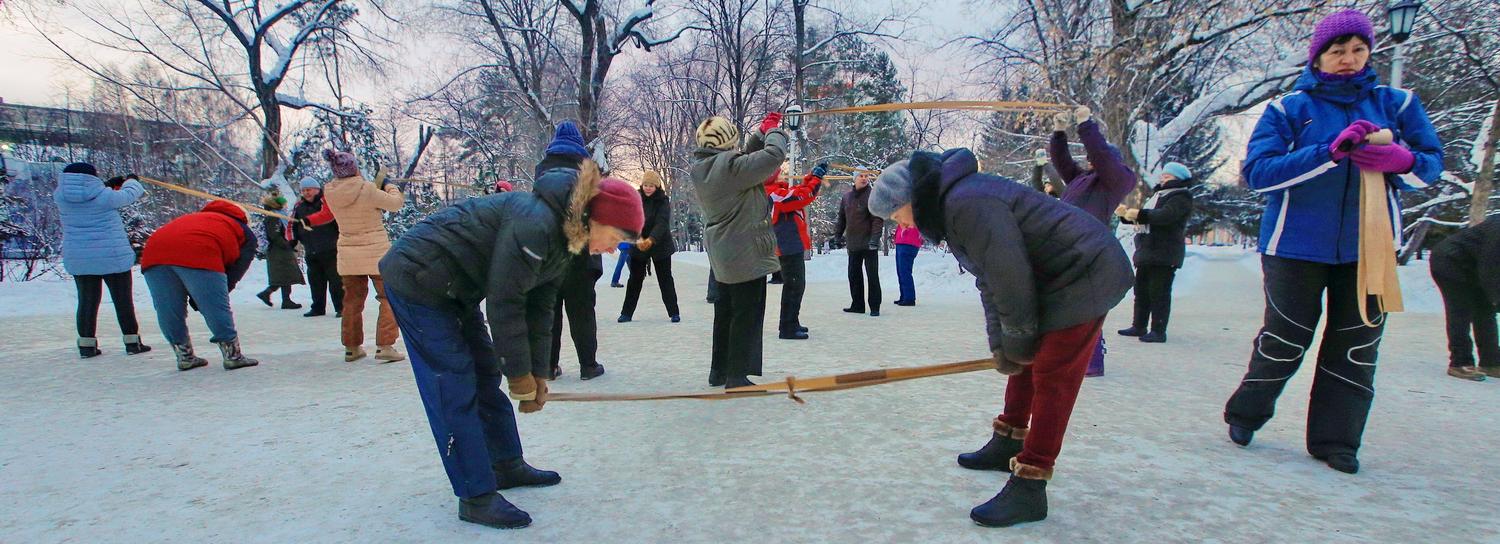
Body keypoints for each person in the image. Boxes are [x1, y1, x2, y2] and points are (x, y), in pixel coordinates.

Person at [1223, 9, 1443, 475]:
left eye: (1358, 49)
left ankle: (1337, 440)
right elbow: (1259, 175)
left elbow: (1430, 168)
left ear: (1369, 53)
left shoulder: (1398, 105)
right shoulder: (1289, 109)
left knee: (1357, 345)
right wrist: (1328, 153)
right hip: (1294, 247)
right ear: (1318, 57)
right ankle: (1247, 412)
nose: (1348, 59)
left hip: (1371, 248)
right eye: (1337, 51)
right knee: (1286, 336)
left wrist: (1402, 161)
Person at [868, 148, 1132, 528]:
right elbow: (989, 279)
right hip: (1054, 274)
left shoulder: (967, 203)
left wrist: (1018, 338)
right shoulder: (953, 204)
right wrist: (1004, 342)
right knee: (1023, 357)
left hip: (1086, 272)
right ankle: (1009, 439)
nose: (899, 224)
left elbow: (1010, 279)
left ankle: (1030, 482)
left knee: (1052, 374)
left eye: (895, 215)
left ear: (909, 200)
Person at [379, 158, 641, 530]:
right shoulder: (535, 224)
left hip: (457, 287)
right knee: (453, 384)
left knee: (485, 373)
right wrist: (519, 375)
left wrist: (536, 372)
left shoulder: (568, 238)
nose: (614, 249)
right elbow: (505, 303)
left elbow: (540, 306)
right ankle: (475, 496)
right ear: (597, 219)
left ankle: (505, 464)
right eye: (616, 238)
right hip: (418, 280)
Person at [689, 113, 787, 388]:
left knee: (726, 311)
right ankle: (737, 375)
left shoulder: (705, 167)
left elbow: (744, 161)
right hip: (744, 249)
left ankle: (719, 370)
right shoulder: (730, 169)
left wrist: (758, 134)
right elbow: (773, 156)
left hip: (723, 250)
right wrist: (774, 131)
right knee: (747, 311)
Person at [1048, 106, 1138, 377]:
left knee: (1085, 306)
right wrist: (1059, 132)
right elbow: (1062, 161)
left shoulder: (1118, 179)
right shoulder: (1082, 178)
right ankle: (1068, 354)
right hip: (1065, 244)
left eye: (1094, 157)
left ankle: (1092, 359)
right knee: (1065, 302)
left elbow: (1101, 155)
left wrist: (1086, 125)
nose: (1089, 159)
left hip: (1088, 249)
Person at [139, 201, 261, 371]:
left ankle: (184, 356)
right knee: (215, 307)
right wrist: (218, 291)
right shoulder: (242, 228)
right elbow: (236, 269)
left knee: (168, 308)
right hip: (199, 250)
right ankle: (232, 355)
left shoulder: (195, 217)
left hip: (154, 252)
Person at [54, 163, 150, 358]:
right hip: (112, 257)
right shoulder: (106, 197)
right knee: (123, 300)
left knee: (87, 302)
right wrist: (131, 181)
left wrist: (108, 185)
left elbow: (87, 196)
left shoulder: (61, 197)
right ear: (91, 178)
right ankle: (132, 342)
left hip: (80, 258)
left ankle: (87, 346)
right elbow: (129, 195)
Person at [536, 122, 606, 381]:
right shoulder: (588, 172)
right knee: (582, 311)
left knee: (550, 311)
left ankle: (548, 366)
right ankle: (588, 366)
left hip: (549, 253)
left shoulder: (541, 171)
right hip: (580, 253)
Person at [321, 149, 406, 363]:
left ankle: (352, 348)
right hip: (376, 252)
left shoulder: (330, 192)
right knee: (387, 297)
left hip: (348, 254)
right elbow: (395, 203)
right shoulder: (367, 189)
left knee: (351, 301)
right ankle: (385, 345)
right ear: (354, 167)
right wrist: (389, 184)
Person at [1117, 162, 1196, 344]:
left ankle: (1158, 330)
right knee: (1141, 291)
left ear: (1179, 179)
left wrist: (1138, 214)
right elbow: (1147, 218)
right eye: (1163, 176)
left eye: (1168, 177)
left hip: (1164, 252)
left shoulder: (1180, 197)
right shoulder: (1158, 195)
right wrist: (1126, 215)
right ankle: (1139, 325)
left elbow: (1164, 216)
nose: (1163, 179)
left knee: (1159, 293)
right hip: (1147, 251)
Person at [1430, 217, 1500, 381]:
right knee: (1461, 310)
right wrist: (1496, 298)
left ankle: (1491, 362)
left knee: (1485, 311)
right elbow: (1491, 267)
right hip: (1449, 261)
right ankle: (1460, 362)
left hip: (1473, 267)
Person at [765, 163, 826, 339]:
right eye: (779, 174)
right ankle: (787, 327)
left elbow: (799, 190)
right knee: (794, 286)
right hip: (787, 245)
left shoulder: (778, 191)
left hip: (791, 244)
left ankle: (792, 321)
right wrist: (816, 179)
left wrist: (811, 176)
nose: (783, 175)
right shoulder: (774, 194)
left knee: (796, 285)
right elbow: (803, 196)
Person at [620, 170, 681, 324]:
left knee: (665, 278)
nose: (648, 188)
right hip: (639, 243)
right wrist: (639, 238)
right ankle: (626, 313)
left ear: (657, 186)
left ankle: (674, 312)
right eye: (645, 185)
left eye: (651, 185)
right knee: (635, 279)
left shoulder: (662, 200)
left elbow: (662, 222)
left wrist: (651, 239)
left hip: (660, 243)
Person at [292, 176, 343, 318]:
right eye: (303, 190)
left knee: (336, 281)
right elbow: (292, 225)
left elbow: (332, 218)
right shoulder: (299, 207)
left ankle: (341, 307)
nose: (306, 193)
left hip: (330, 248)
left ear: (317, 190)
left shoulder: (325, 202)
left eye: (309, 190)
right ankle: (318, 307)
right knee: (315, 281)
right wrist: (293, 239)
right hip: (311, 249)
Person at [837, 170, 884, 316]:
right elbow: (842, 219)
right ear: (854, 179)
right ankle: (857, 305)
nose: (864, 179)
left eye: (866, 176)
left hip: (869, 243)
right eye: (861, 176)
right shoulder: (847, 197)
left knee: (872, 276)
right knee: (854, 275)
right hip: (853, 243)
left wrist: (875, 240)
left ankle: (875, 307)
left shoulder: (873, 196)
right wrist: (837, 236)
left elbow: (877, 219)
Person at [254, 190, 305, 310]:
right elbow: (275, 235)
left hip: (281, 250)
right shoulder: (274, 217)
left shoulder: (278, 216)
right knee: (286, 276)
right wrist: (287, 244)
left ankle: (267, 294)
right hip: (279, 251)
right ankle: (285, 300)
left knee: (283, 276)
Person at [893, 224, 921, 307]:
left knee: (904, 271)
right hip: (902, 241)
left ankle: (909, 298)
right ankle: (904, 296)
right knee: (901, 271)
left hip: (908, 241)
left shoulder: (911, 213)